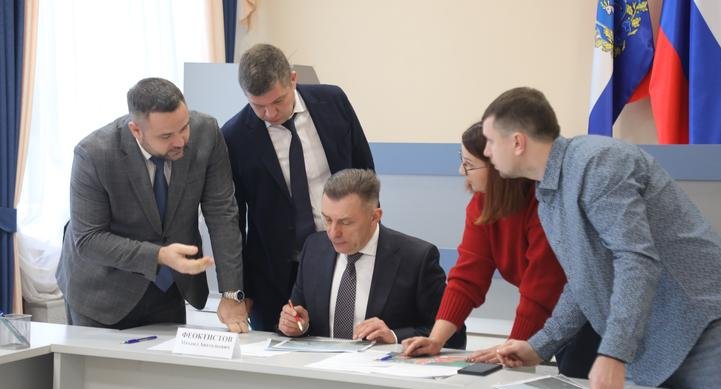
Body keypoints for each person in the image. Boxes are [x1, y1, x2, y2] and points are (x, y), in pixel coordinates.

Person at [484, 87, 721, 389]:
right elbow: (584, 279)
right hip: (654, 349)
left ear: (517, 142)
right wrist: (539, 346)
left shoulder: (598, 163)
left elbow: (636, 259)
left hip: (704, 333)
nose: (486, 152)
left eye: (490, 141)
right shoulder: (549, 193)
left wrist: (614, 354)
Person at [402, 122, 599, 378]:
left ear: (497, 165)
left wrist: (510, 351)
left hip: (589, 314)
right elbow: (467, 277)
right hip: (554, 316)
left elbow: (541, 288)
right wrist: (436, 339)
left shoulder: (544, 204)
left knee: (582, 383)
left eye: (469, 164)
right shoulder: (482, 204)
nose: (461, 171)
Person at [57, 78, 249, 332]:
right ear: (136, 130)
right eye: (166, 136)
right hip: (101, 293)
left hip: (168, 289)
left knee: (165, 359)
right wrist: (159, 255)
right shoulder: (93, 154)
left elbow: (222, 213)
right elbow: (88, 239)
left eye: (184, 127)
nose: (180, 141)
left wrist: (232, 293)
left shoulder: (207, 133)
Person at [222, 44, 374, 332]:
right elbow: (233, 220)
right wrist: (240, 290)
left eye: (278, 101)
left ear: (292, 79)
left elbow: (364, 172)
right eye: (258, 105)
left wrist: (371, 239)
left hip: (344, 255)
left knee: (348, 341)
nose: (269, 113)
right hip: (276, 274)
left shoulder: (332, 101)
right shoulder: (234, 136)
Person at [278, 169, 466, 347]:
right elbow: (298, 316)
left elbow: (455, 335)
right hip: (320, 367)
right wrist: (296, 325)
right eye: (327, 220)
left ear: (375, 216)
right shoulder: (314, 249)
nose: (333, 233)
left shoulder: (416, 258)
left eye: (346, 222)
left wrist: (394, 336)